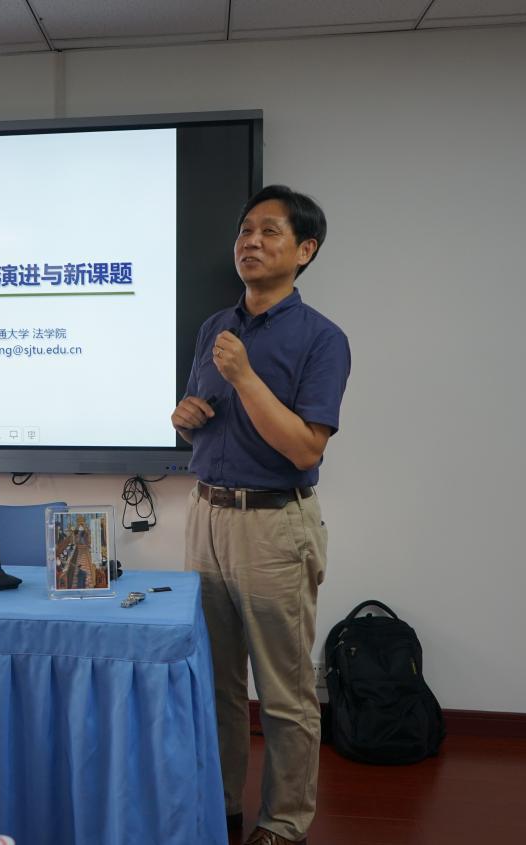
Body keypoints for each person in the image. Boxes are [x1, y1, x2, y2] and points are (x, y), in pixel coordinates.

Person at [171, 185, 350, 845]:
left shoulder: (322, 339)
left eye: (270, 231)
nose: (251, 241)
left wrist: (246, 377)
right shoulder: (213, 328)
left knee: (283, 690)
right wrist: (184, 418)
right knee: (215, 683)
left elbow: (305, 447)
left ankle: (283, 822)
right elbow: (206, 424)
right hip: (206, 516)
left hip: (274, 524)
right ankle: (219, 808)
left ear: (305, 250)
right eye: (245, 230)